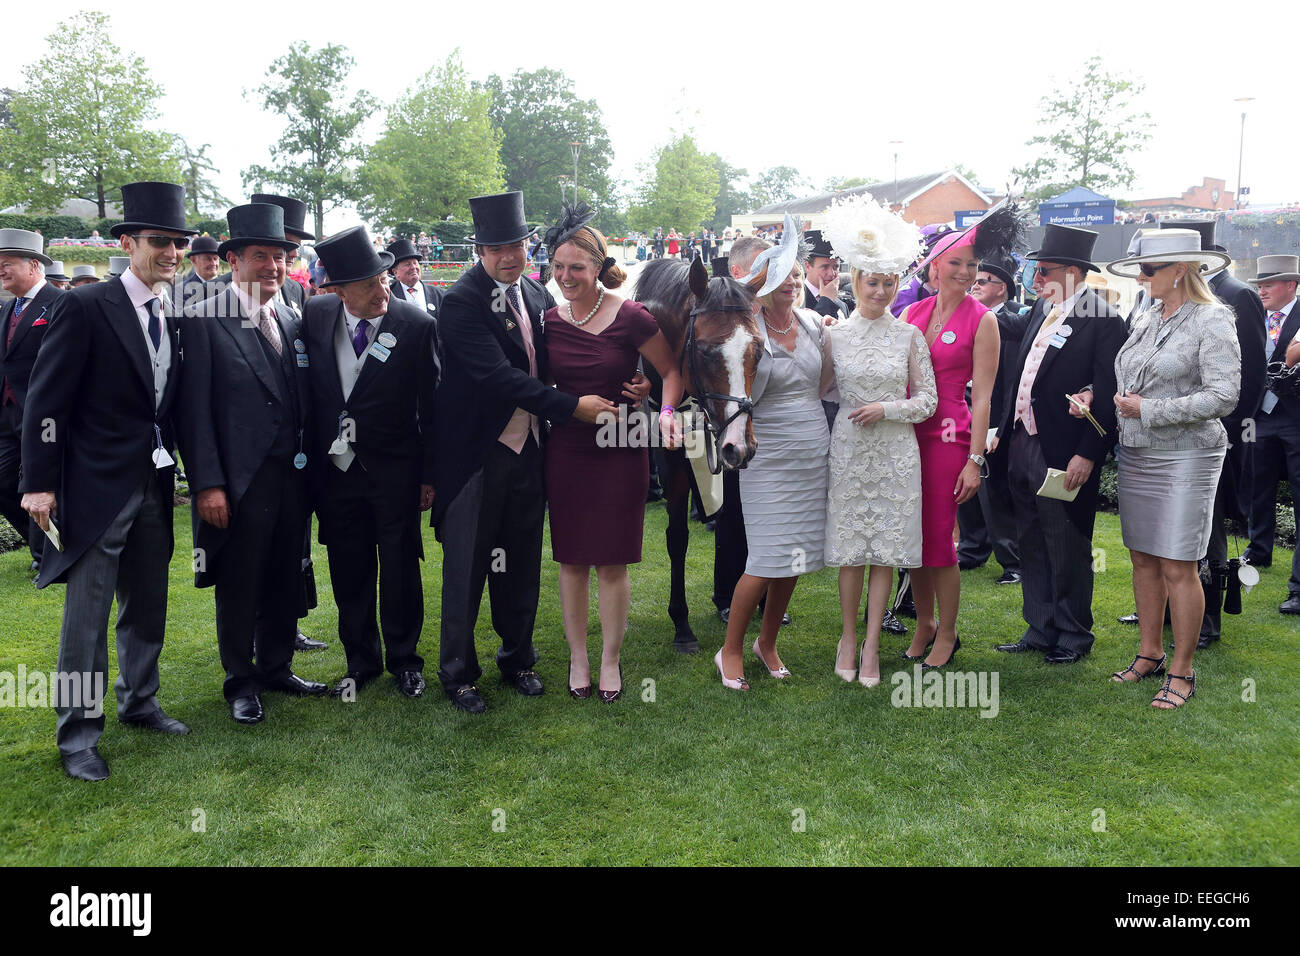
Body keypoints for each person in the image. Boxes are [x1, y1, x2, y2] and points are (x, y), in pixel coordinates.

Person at [21, 182, 194, 781]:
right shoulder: (86, 306)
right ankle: (78, 736)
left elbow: (165, 403)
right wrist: (39, 484)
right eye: (160, 242)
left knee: (147, 603)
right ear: (129, 243)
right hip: (94, 489)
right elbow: (46, 402)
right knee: (87, 619)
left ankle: (139, 701)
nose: (172, 252)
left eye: (179, 243)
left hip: (155, 483)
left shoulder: (173, 312)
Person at [431, 191, 617, 714]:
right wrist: (572, 408)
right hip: (477, 454)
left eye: (516, 244)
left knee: (519, 564)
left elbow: (562, 359)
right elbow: (498, 378)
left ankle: (518, 659)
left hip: (530, 449)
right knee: (467, 568)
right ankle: (458, 674)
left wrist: (627, 384)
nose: (508, 255)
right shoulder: (462, 300)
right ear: (480, 250)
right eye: (496, 247)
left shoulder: (535, 294)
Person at [175, 203, 328, 726]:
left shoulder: (290, 312)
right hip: (239, 482)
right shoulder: (201, 321)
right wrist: (208, 485)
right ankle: (240, 681)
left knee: (286, 572)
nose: (274, 266)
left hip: (293, 476)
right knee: (241, 582)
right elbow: (192, 414)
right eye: (260, 256)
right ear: (233, 260)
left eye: (281, 256)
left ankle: (277, 666)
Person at [542, 205, 683, 701]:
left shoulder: (632, 316)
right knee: (573, 561)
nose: (565, 277)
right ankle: (578, 657)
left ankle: (610, 660)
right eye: (557, 268)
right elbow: (539, 384)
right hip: (567, 450)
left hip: (621, 449)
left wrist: (663, 414)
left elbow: (671, 374)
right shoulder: (548, 320)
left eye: (576, 268)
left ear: (599, 268)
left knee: (612, 564)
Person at [1104, 229, 1239, 708]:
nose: (1140, 278)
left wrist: (1150, 410)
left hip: (1188, 456)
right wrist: (1104, 403)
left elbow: (1224, 397)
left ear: (1179, 269)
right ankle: (1150, 652)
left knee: (1179, 563)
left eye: (1148, 269)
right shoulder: (1146, 315)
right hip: (1138, 451)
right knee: (1143, 557)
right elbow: (1131, 379)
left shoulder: (1213, 319)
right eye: (1139, 269)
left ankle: (1182, 670)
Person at [304, 227, 439, 699]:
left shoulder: (416, 325)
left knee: (401, 566)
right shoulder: (315, 316)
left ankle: (406, 660)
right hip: (336, 476)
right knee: (349, 568)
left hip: (396, 473)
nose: (383, 289)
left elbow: (432, 407)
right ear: (338, 291)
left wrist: (428, 476)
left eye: (383, 278)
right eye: (368, 284)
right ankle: (361, 660)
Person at [992, 224, 1125, 664]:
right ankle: (1039, 625)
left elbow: (1106, 394)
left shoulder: (1103, 317)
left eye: (1043, 270)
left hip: (1066, 450)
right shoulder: (1041, 309)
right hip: (1024, 441)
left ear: (1072, 271)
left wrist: (1088, 453)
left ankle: (1073, 634)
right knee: (1030, 536)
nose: (1034, 278)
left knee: (1066, 541)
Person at [820, 196, 933, 686]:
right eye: (873, 281)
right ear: (855, 279)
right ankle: (847, 637)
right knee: (851, 549)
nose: (882, 290)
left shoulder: (909, 336)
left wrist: (887, 408)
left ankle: (871, 644)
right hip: (849, 449)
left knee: (885, 549)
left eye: (890, 282)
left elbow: (928, 400)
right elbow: (821, 387)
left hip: (894, 451)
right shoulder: (834, 336)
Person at [716, 216, 834, 690]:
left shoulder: (813, 324)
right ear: (763, 282)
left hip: (812, 449)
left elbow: (828, 385)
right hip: (765, 451)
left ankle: (768, 643)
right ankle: (729, 651)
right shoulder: (746, 331)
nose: (791, 283)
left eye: (796, 274)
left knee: (797, 557)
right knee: (764, 559)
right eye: (781, 275)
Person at [899, 214, 1004, 669]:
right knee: (914, 539)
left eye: (972, 264)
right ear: (935, 266)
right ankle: (923, 623)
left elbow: (982, 398)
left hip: (949, 438)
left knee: (940, 540)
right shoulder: (911, 313)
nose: (966, 272)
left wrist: (974, 459)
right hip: (906, 436)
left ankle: (948, 630)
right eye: (957, 263)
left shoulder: (983, 321)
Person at [956, 255, 1028, 583]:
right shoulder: (966, 316)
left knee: (995, 489)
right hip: (964, 410)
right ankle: (971, 548)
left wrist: (999, 424)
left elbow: (1012, 381)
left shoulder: (1013, 322)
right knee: (966, 484)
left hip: (996, 415)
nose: (976, 284)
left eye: (983, 280)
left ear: (1002, 290)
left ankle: (1013, 561)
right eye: (976, 279)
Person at [1, 229, 62, 575]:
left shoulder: (59, 303)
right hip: (8, 415)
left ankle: (46, 558)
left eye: (7, 264)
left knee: (38, 484)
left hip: (44, 416)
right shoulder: (9, 308)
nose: (1, 271)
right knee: (4, 483)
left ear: (34, 265)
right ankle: (42, 542)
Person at [1244, 254, 1300, 614]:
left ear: (1291, 286)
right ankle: (1258, 550)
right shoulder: (1252, 317)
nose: (1262, 289)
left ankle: (1299, 588)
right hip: (1257, 418)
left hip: (1296, 417)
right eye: (1259, 284)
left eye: (1270, 283)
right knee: (1255, 485)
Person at [387, 237, 444, 320]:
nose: (413, 267)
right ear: (395, 272)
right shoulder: (389, 296)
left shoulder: (439, 294)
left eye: (415, 263)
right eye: (407, 264)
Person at [802, 230, 847, 319]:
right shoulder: (795, 299)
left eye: (835, 267)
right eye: (825, 267)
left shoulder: (842, 305)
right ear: (807, 266)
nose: (831, 274)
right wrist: (826, 300)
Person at [173, 234, 221, 310]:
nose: (213, 263)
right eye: (208, 259)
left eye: (215, 259)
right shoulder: (182, 291)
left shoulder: (228, 286)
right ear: (193, 260)